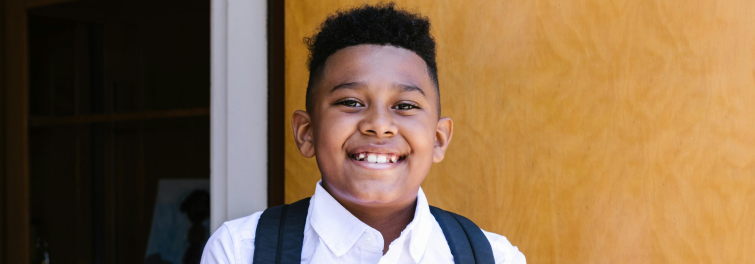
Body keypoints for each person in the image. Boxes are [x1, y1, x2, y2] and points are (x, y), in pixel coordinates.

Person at [201, 3, 525, 264]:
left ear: (439, 139)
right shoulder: (239, 251)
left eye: (405, 106)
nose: (379, 124)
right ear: (306, 132)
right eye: (351, 102)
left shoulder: (495, 257)